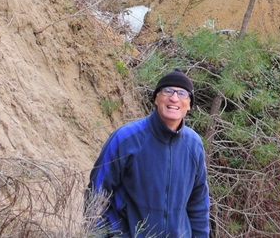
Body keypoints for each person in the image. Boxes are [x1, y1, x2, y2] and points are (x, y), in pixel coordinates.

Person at [87, 69, 209, 237]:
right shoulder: (126, 139)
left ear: (189, 105)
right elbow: (97, 193)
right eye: (167, 91)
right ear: (156, 99)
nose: (174, 98)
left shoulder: (194, 145)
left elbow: (199, 203)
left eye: (182, 93)